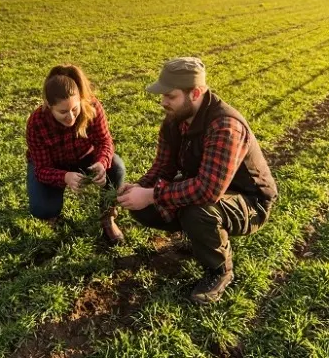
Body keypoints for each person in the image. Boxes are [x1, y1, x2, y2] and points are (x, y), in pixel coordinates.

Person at [117, 57, 278, 304]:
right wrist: (140, 188)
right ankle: (198, 237)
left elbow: (207, 190)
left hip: (250, 201)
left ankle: (220, 271)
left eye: (170, 96)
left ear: (196, 93)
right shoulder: (174, 121)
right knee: (145, 209)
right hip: (208, 187)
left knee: (197, 210)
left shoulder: (225, 126)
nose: (163, 103)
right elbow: (163, 168)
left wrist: (152, 194)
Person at [26, 64, 126, 244]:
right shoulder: (36, 122)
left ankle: (107, 216)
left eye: (75, 109)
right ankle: (52, 215)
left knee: (116, 167)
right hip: (53, 165)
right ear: (49, 105)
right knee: (42, 209)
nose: (71, 118)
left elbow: (105, 142)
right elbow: (41, 169)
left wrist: (102, 163)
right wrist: (64, 177)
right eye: (63, 112)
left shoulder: (92, 107)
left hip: (84, 157)